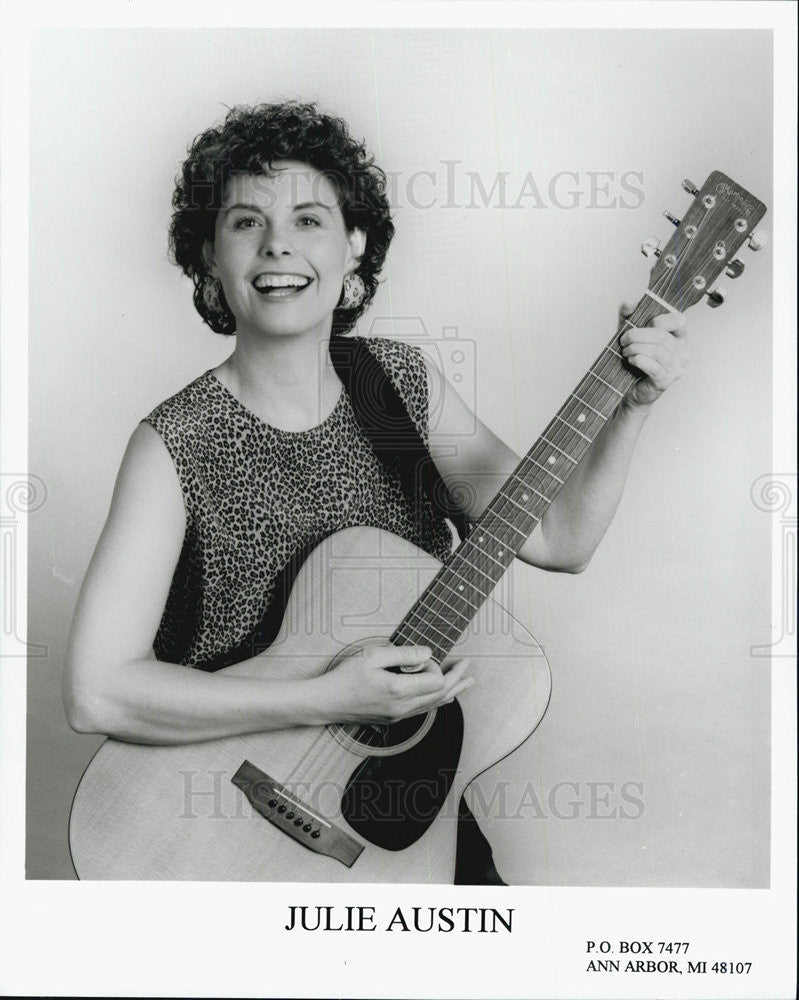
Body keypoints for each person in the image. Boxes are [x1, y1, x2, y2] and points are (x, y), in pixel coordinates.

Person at [63, 101, 688, 884]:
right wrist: (325, 698)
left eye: (309, 219)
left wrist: (629, 409)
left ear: (354, 245)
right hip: (219, 818)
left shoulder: (395, 387)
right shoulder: (175, 443)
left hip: (387, 818)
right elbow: (99, 693)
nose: (278, 245)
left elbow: (558, 539)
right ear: (208, 257)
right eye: (245, 222)